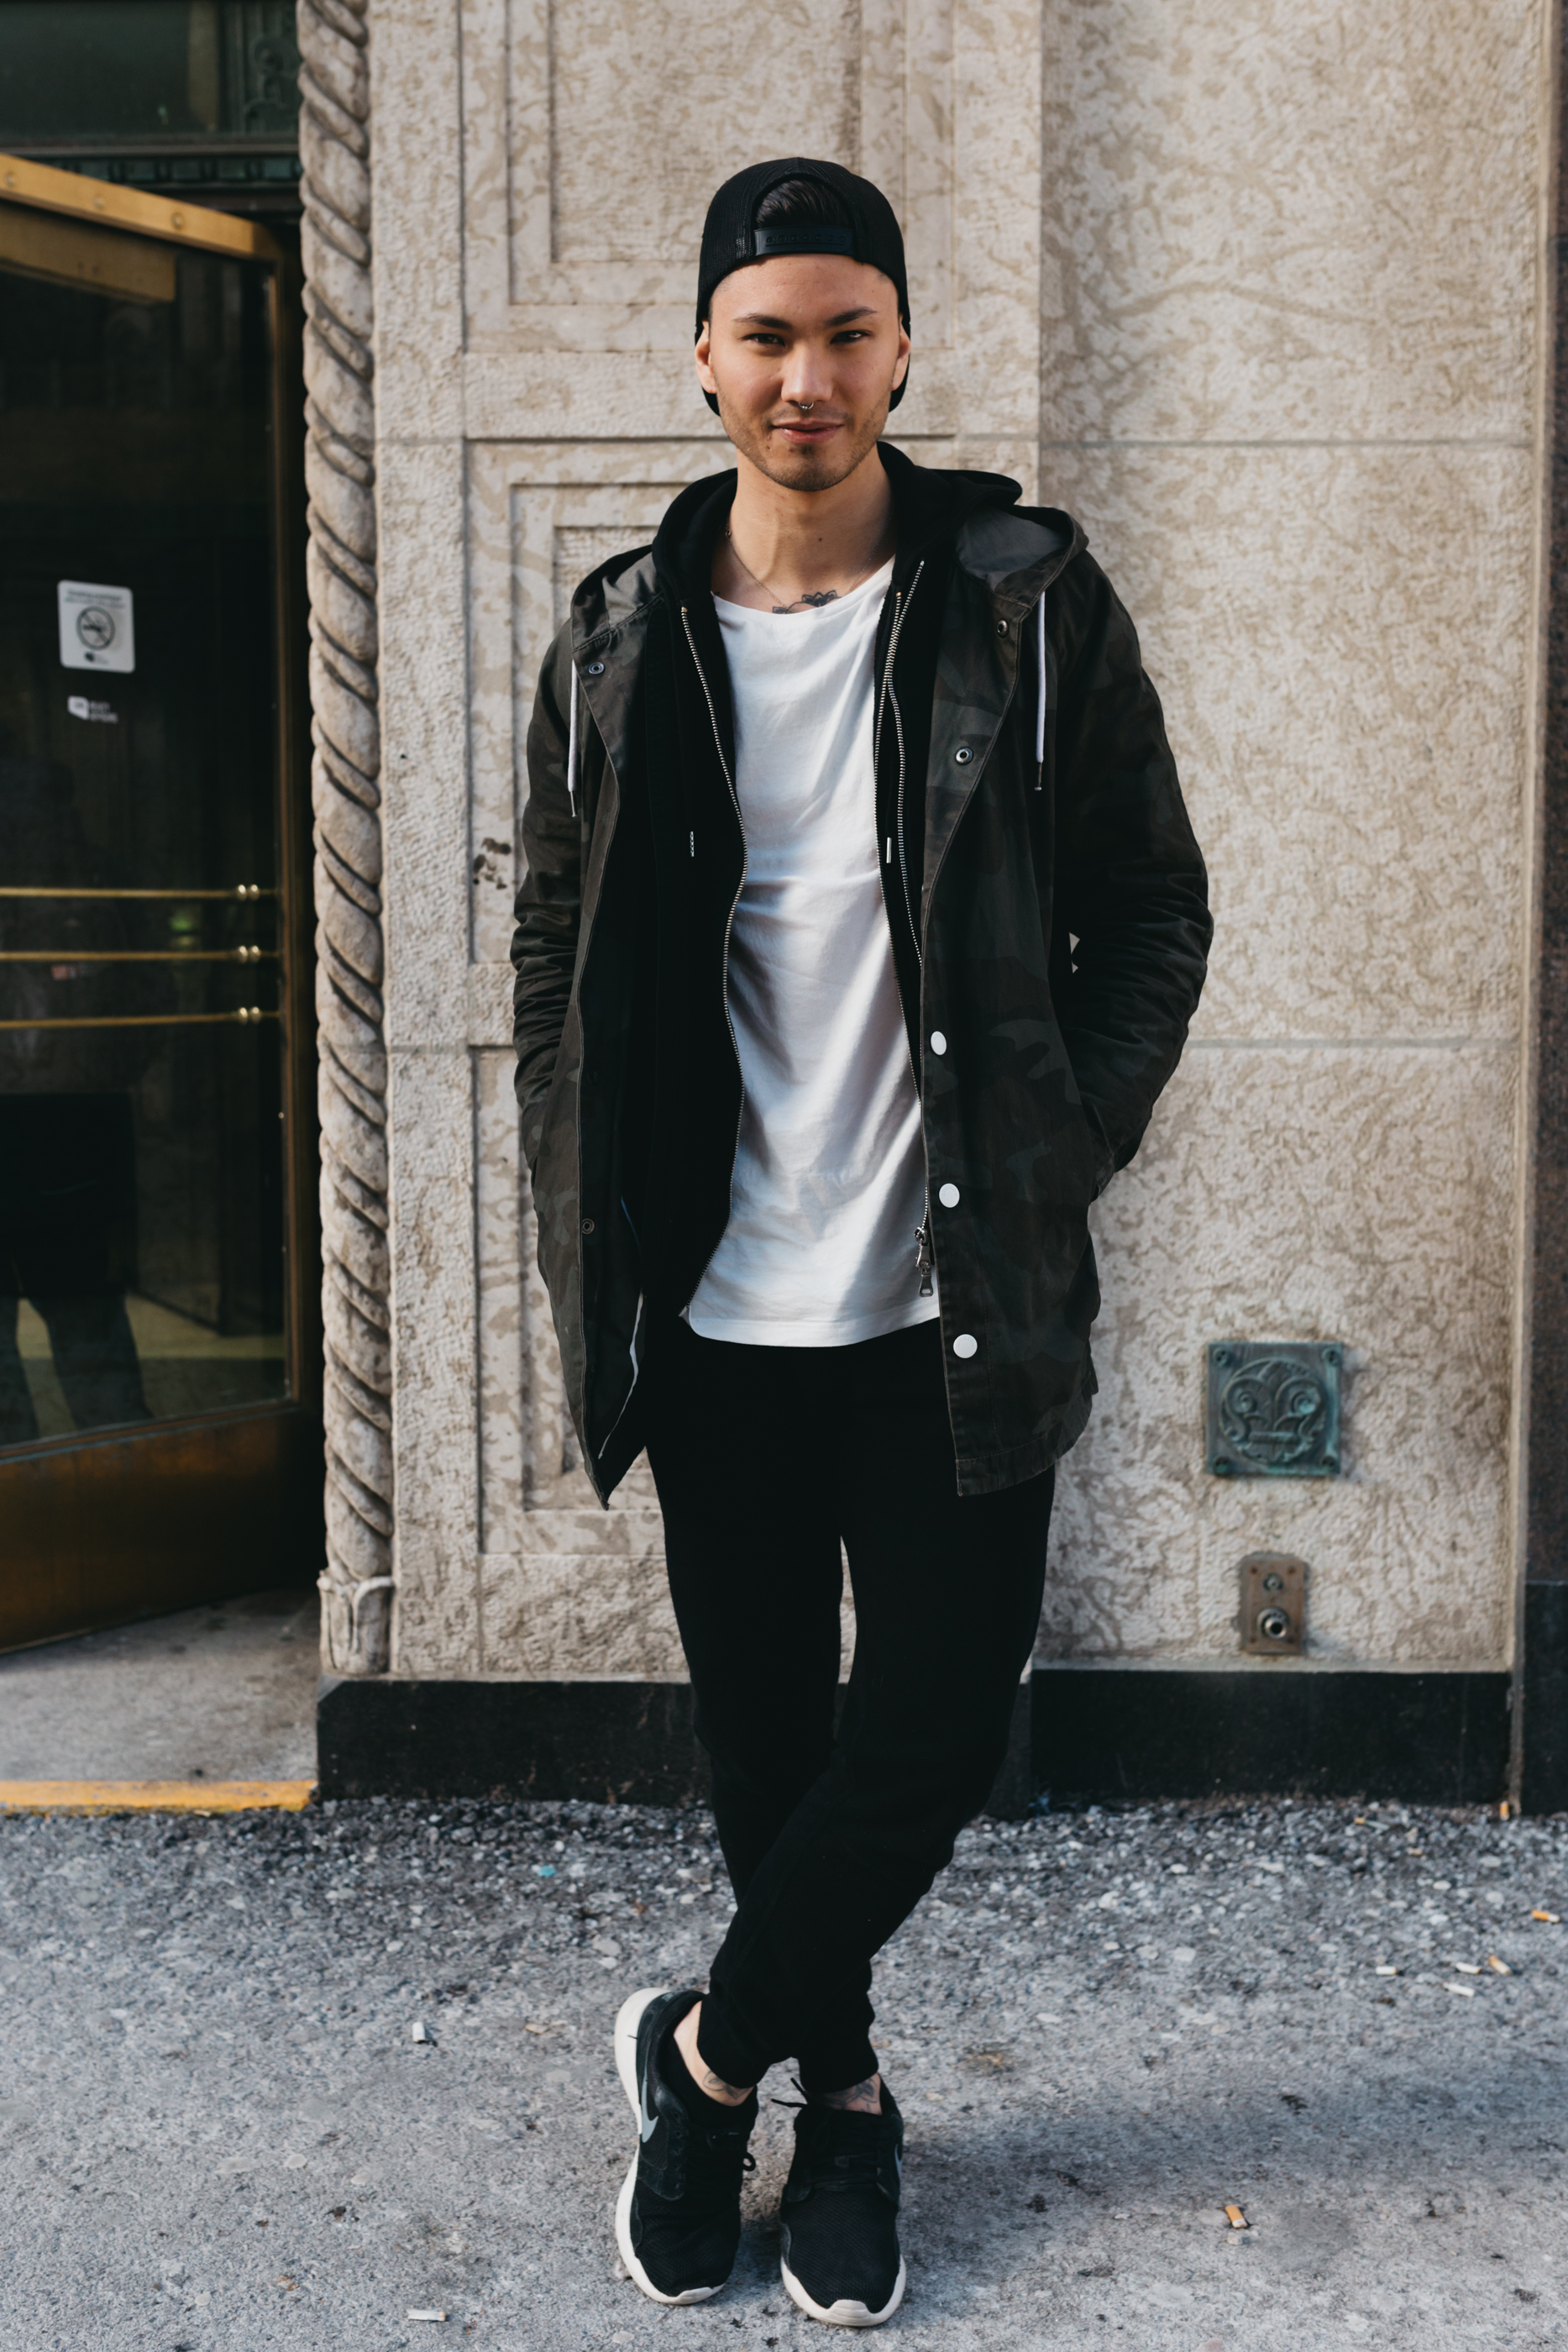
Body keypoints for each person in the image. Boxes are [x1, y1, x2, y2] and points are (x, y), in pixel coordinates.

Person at [511, 156, 1210, 2328]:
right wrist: (573, 1162)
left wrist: (1058, 1150)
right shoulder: (621, 634)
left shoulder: (1022, 601)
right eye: (765, 334)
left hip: (942, 1302)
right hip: (715, 1305)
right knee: (764, 1755)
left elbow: (1151, 908)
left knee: (925, 1738)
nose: (803, 374)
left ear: (900, 350)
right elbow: (552, 930)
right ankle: (850, 2100)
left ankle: (705, 2063)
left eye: (843, 331)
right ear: (702, 360)